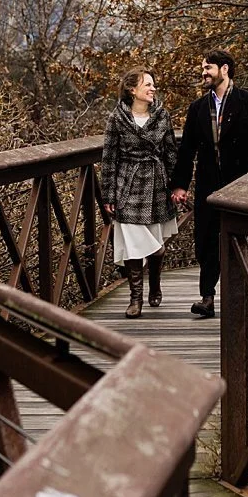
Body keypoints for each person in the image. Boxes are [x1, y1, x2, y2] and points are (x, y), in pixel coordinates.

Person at [170, 49, 248, 319]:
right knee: (206, 239)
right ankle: (207, 297)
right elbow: (187, 150)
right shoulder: (198, 108)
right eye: (203, 68)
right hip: (208, 184)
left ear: (224, 69)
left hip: (243, 184)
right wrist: (180, 185)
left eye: (208, 68)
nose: (203, 73)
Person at [99, 68, 181, 318]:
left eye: (153, 84)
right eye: (147, 84)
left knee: (154, 242)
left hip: (156, 184)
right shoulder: (116, 118)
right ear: (132, 90)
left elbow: (171, 153)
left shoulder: (162, 116)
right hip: (127, 184)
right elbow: (109, 158)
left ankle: (154, 283)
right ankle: (135, 299)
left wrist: (178, 185)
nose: (153, 88)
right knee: (132, 241)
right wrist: (108, 195)